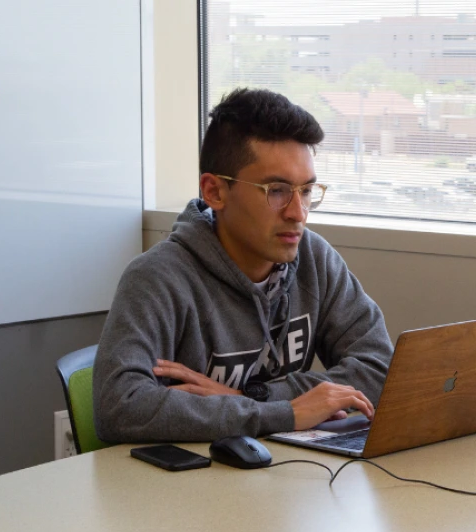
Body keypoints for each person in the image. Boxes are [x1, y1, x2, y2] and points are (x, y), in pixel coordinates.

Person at [93, 88, 393, 443]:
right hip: (184, 490)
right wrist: (287, 413)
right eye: (277, 190)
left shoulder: (313, 258)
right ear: (215, 192)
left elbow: (380, 368)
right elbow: (119, 408)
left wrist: (254, 399)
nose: (298, 213)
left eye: (307, 191)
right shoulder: (157, 278)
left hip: (282, 481)